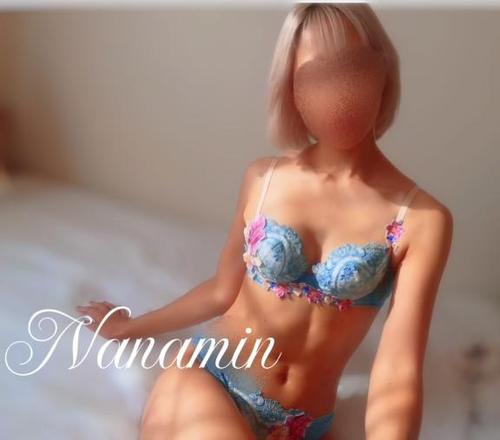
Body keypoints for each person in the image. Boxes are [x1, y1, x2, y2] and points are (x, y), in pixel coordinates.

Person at [76, 4, 453, 440]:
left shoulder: (423, 219)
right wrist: (130, 326)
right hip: (209, 382)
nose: (339, 93)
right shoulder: (263, 178)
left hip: (303, 426)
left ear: (384, 73)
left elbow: (399, 366)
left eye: (354, 68)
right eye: (315, 77)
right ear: (292, 92)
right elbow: (223, 290)